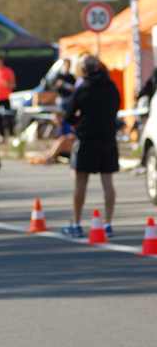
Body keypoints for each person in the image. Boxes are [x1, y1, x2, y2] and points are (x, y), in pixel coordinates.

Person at [62, 55, 120, 238]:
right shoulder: (111, 87)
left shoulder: (83, 88)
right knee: (108, 182)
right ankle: (108, 224)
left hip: (87, 139)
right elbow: (116, 109)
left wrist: (79, 121)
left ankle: (77, 223)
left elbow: (68, 115)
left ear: (84, 70)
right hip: (108, 138)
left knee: (81, 182)